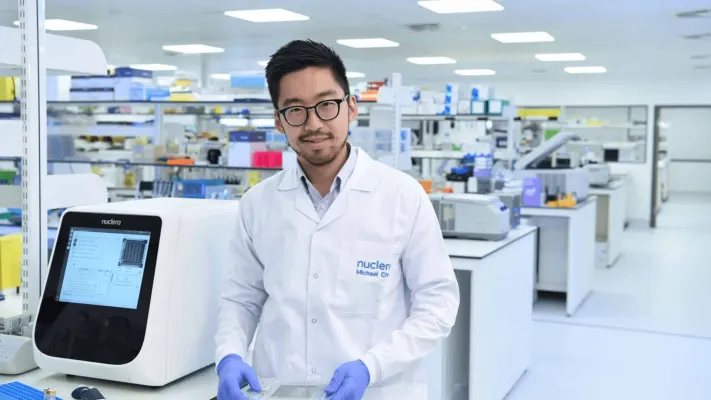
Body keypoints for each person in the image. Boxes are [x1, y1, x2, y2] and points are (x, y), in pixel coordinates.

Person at [215, 39, 460, 400]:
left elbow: (437, 304)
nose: (314, 123)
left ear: (351, 107)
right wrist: (229, 355)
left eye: (326, 104)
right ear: (279, 121)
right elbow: (241, 298)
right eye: (295, 110)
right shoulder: (257, 203)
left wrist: (372, 367)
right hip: (280, 387)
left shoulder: (402, 196)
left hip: (379, 390)